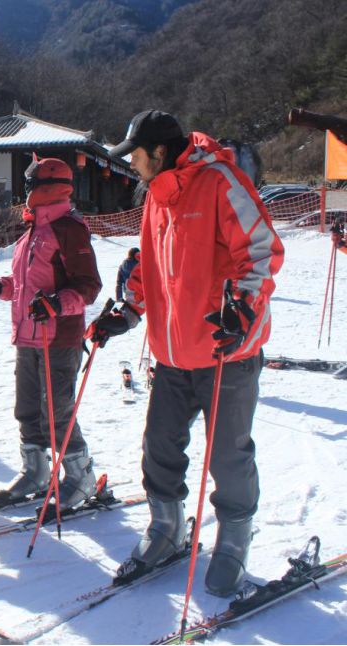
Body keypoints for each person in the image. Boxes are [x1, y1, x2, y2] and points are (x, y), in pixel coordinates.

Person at [88, 110, 284, 596]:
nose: (131, 165)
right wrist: (128, 311)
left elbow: (260, 250)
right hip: (173, 354)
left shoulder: (219, 181)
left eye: (135, 155)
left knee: (228, 455)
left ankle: (235, 537)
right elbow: (148, 265)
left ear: (158, 152)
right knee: (159, 445)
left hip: (226, 353)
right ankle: (167, 527)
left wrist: (242, 311)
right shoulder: (156, 196)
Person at [0, 156, 103, 511]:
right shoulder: (33, 232)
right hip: (26, 336)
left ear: (46, 188)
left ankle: (80, 476)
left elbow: (89, 286)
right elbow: (23, 285)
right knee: (27, 409)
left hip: (58, 337)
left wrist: (56, 305)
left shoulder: (69, 228)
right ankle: (35, 470)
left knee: (56, 411)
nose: (25, 191)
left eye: (30, 185)